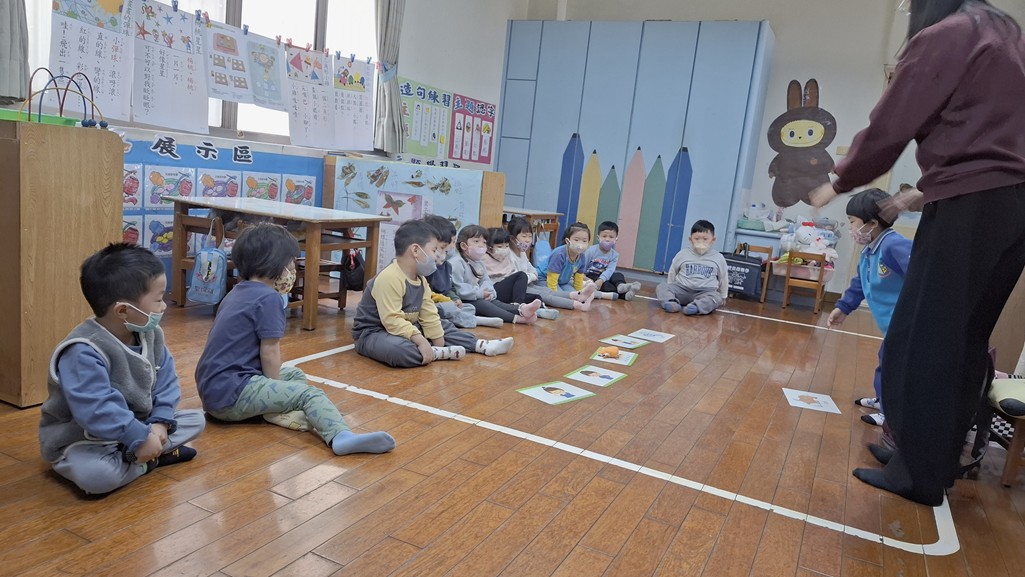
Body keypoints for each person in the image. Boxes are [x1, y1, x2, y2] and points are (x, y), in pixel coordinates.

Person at [807, 0, 1025, 505]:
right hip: (1011, 208)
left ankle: (918, 474)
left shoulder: (949, 32)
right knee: (965, 338)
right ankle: (933, 460)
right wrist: (913, 196)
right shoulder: (1005, 33)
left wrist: (839, 180)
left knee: (924, 338)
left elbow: (892, 122)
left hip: (970, 205)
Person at [196, 223, 395, 456]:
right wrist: (277, 388)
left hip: (214, 391)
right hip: (232, 395)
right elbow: (269, 351)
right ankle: (340, 436)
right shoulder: (268, 298)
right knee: (309, 394)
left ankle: (275, 412)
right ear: (275, 263)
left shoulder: (236, 292)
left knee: (295, 374)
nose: (293, 268)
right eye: (291, 262)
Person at [39, 243, 205, 494]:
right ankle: (150, 461)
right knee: (97, 477)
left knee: (196, 420)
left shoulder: (151, 334)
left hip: (139, 426)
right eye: (158, 299)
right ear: (123, 311)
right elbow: (96, 409)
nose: (163, 307)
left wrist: (160, 424)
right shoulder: (83, 350)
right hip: (86, 439)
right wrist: (140, 437)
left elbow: (167, 381)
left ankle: (140, 456)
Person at [352, 219, 515, 367]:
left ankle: (480, 345)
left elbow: (428, 312)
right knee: (398, 350)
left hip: (409, 327)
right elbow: (392, 320)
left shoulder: (421, 279)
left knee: (443, 325)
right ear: (415, 250)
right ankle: (435, 353)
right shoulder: (390, 277)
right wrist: (422, 341)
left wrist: (438, 339)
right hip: (374, 332)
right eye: (434, 250)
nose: (437, 256)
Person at [827, 189, 913, 427]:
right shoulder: (869, 250)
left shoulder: (893, 245)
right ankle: (883, 400)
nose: (851, 228)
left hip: (907, 324)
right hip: (892, 325)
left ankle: (890, 412)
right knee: (886, 361)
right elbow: (861, 282)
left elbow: (919, 273)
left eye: (853, 222)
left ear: (872, 223)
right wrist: (844, 307)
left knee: (893, 367)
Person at [450, 224, 542, 324]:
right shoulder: (457, 263)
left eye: (484, 242)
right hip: (463, 300)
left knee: (494, 302)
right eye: (476, 241)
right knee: (484, 304)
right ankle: (518, 318)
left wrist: (490, 292)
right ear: (464, 246)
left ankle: (521, 309)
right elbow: (459, 288)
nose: (481, 245)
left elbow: (486, 280)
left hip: (478, 295)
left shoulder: (479, 262)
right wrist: (480, 293)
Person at [422, 215, 502, 329]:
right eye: (446, 245)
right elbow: (429, 294)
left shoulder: (446, 265)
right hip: (433, 304)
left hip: (448, 302)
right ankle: (475, 320)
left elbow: (449, 288)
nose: (452, 247)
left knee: (468, 308)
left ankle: (464, 318)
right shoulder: (428, 267)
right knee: (447, 309)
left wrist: (455, 299)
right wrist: (448, 300)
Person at [506, 217, 595, 311]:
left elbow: (532, 270)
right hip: (521, 286)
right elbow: (517, 277)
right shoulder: (508, 255)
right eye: (524, 236)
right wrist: (530, 276)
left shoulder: (522, 253)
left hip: (528, 283)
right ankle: (577, 305)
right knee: (546, 295)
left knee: (548, 291)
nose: (528, 240)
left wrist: (529, 276)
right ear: (512, 238)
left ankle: (578, 296)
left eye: (530, 236)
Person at [484, 227, 559, 319]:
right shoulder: (484, 258)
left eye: (506, 246)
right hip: (494, 290)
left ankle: (539, 311)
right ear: (489, 247)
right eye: (499, 247)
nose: (504, 249)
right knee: (521, 275)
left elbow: (514, 273)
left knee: (536, 297)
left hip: (507, 292)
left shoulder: (506, 257)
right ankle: (518, 306)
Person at [656, 220, 728, 315]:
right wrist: (671, 287)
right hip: (682, 289)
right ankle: (670, 302)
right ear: (690, 239)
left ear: (713, 240)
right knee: (662, 287)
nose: (701, 242)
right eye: (697, 239)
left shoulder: (718, 258)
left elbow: (723, 278)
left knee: (716, 298)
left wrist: (723, 296)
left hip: (705, 292)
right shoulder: (682, 254)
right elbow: (673, 271)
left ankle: (696, 307)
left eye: (705, 239)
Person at [582, 221, 642, 300]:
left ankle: (620, 286)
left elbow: (610, 270)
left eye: (611, 237)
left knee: (618, 275)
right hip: (591, 276)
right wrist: (586, 279)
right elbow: (582, 267)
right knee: (606, 286)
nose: (607, 239)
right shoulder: (590, 250)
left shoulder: (614, 255)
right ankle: (624, 295)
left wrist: (601, 279)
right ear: (598, 237)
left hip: (605, 276)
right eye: (604, 236)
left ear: (616, 239)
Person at [547, 222, 596, 293]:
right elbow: (551, 281)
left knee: (574, 294)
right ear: (567, 241)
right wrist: (556, 295)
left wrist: (579, 294)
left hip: (562, 282)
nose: (581, 244)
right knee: (563, 296)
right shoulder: (559, 254)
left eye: (584, 241)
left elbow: (578, 280)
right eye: (576, 240)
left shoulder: (582, 256)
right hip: (546, 279)